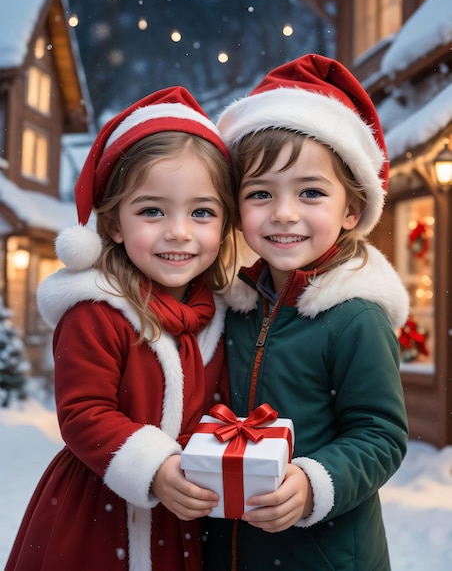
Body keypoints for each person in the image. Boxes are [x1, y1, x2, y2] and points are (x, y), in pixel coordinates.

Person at [5, 86, 236, 571]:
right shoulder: (97, 310)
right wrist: (152, 467)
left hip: (184, 515)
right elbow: (83, 412)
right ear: (112, 225)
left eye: (202, 212)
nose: (179, 230)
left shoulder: (221, 313)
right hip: (98, 507)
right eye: (152, 210)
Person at [203, 54, 410, 571]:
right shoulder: (235, 303)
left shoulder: (354, 315)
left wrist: (315, 482)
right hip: (238, 546)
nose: (284, 213)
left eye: (311, 192)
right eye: (260, 193)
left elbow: (380, 433)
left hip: (325, 552)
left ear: (351, 209)